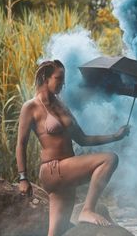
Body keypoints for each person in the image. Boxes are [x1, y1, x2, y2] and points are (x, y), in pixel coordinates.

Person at [16, 59, 130, 236]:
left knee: (56, 232)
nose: (62, 84)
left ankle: (84, 212)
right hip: (53, 170)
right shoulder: (31, 107)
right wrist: (23, 178)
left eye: (63, 79)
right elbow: (21, 144)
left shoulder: (62, 106)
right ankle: (88, 209)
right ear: (46, 78)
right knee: (109, 159)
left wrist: (116, 136)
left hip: (68, 173)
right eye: (58, 78)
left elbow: (83, 139)